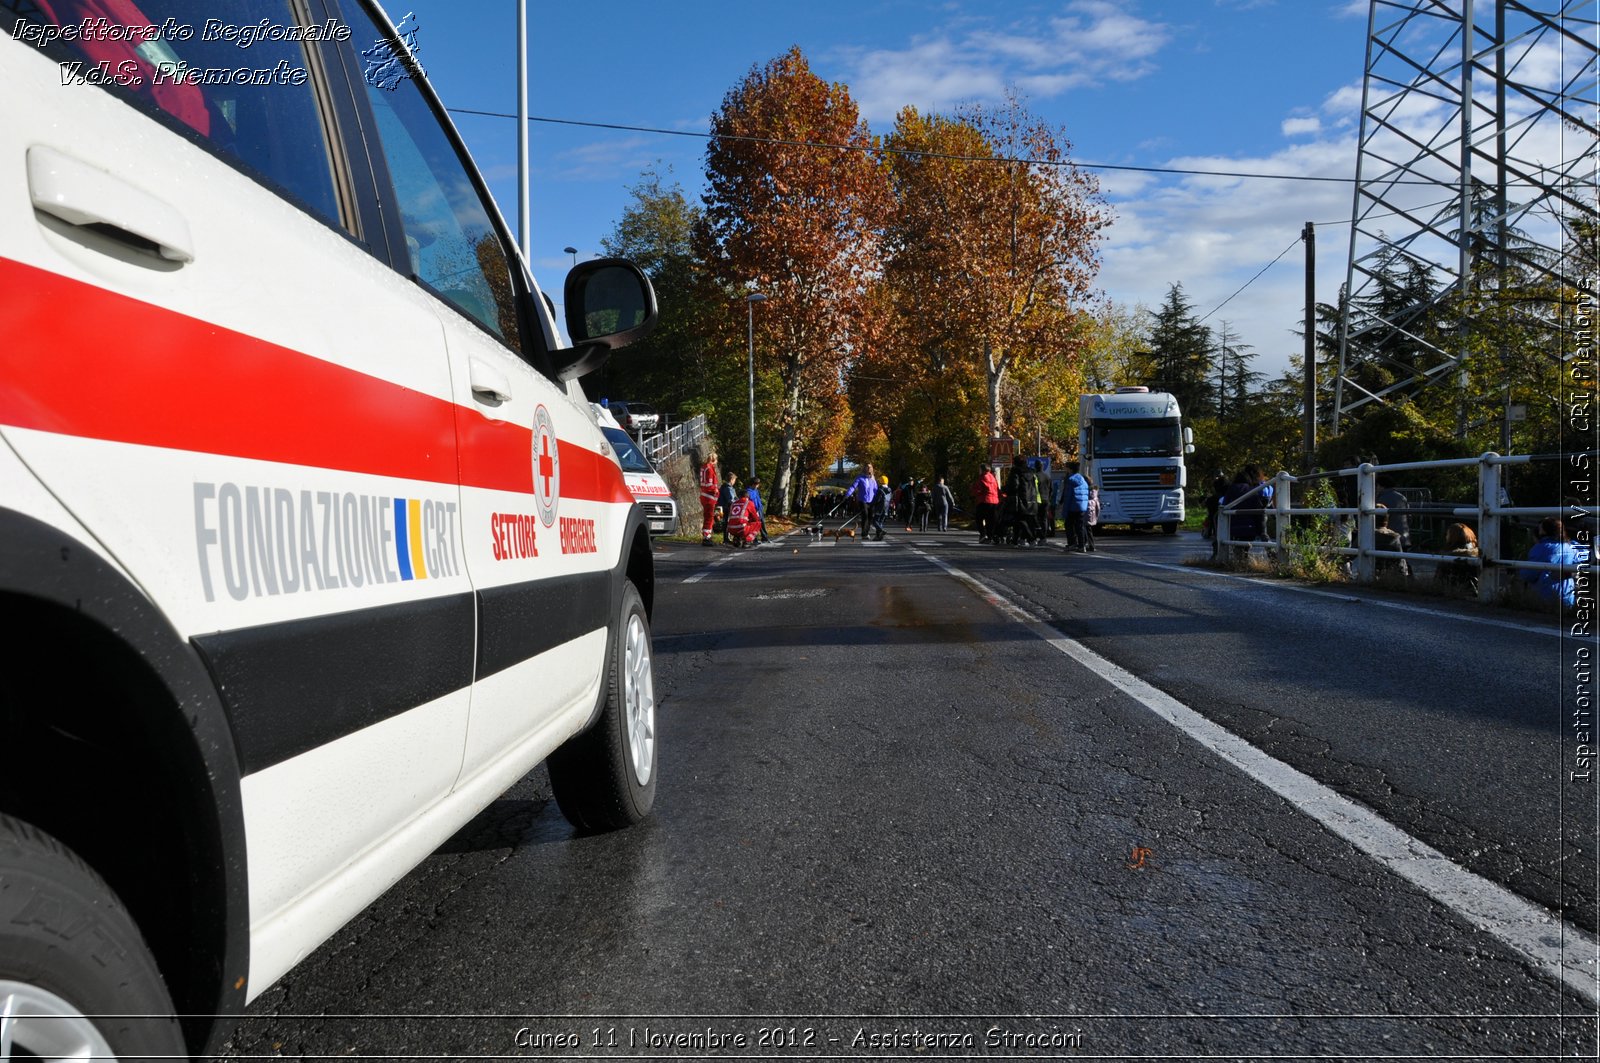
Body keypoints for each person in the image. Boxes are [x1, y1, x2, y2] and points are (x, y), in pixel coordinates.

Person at [1522, 517, 1589, 606]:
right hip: (1567, 598)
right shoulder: (1571, 546)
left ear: (1543, 531)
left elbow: (1529, 575)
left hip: (1543, 598)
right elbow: (1586, 555)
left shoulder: (1540, 548)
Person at [1219, 466, 1266, 561]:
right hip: (1250, 527)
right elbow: (1258, 510)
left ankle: (1237, 559)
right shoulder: (1252, 490)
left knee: (1239, 547)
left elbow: (1224, 505)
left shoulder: (1231, 489)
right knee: (1245, 546)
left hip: (1233, 527)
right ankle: (1244, 560)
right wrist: (1260, 530)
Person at [1003, 456, 1041, 545]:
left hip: (1019, 499)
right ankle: (1015, 540)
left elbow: (1014, 485)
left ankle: (1031, 539)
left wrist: (1005, 489)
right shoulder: (1031, 472)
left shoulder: (1015, 472)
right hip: (1031, 498)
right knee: (1023, 519)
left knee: (1020, 519)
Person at [1434, 522, 1479, 594]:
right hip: (1475, 592)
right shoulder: (1478, 557)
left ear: (1451, 537)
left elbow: (1438, 581)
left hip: (1451, 593)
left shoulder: (1446, 558)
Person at [1372, 505, 1409, 579]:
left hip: (1373, 573)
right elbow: (1401, 561)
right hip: (1392, 575)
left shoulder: (1369, 534)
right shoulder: (1394, 536)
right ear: (1387, 519)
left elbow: (1350, 555)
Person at [1061, 460, 1090, 552]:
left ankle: (1072, 543)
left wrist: (1064, 511)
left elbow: (1068, 496)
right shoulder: (1083, 479)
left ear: (1070, 469)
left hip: (1073, 506)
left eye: (1066, 468)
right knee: (1080, 526)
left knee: (1069, 525)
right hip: (1082, 506)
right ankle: (1082, 545)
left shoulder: (1070, 480)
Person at [1375, 477, 1410, 550]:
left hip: (1389, 538)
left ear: (1381, 486)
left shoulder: (1382, 499)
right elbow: (1409, 517)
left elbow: (1378, 520)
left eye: (1377, 486)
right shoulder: (1402, 497)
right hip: (1404, 537)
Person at [846, 464, 878, 537]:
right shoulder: (860, 478)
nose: (869, 468)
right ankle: (864, 534)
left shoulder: (873, 479)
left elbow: (875, 489)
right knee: (865, 515)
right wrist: (847, 494)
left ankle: (866, 531)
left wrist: (878, 498)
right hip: (862, 500)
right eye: (868, 467)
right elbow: (853, 486)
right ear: (865, 468)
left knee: (870, 517)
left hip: (872, 500)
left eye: (870, 467)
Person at [971, 466, 1000, 543]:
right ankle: (991, 536)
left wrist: (973, 490)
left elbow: (978, 490)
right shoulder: (993, 478)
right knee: (990, 520)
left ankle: (983, 534)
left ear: (982, 470)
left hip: (984, 501)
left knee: (979, 518)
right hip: (994, 501)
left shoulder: (982, 478)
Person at [697, 449, 720, 546]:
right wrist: (715, 490)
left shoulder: (704, 467)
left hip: (704, 495)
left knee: (708, 516)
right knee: (709, 517)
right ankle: (706, 537)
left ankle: (707, 535)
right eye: (716, 460)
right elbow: (710, 485)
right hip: (709, 497)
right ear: (714, 460)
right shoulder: (709, 469)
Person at [717, 470, 739, 544]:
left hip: (720, 507)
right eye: (734, 480)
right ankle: (726, 539)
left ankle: (725, 538)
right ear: (732, 479)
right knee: (727, 523)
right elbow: (731, 499)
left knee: (722, 522)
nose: (734, 482)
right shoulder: (728, 488)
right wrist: (737, 503)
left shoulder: (722, 487)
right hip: (726, 508)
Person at [746, 477, 771, 543]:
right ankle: (754, 539)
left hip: (759, 510)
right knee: (755, 525)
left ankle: (765, 537)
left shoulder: (756, 490)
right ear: (754, 484)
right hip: (753, 510)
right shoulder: (748, 492)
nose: (758, 486)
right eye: (757, 484)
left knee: (762, 523)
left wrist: (760, 507)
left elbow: (758, 500)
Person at [1084, 475, 1100, 552]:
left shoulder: (1085, 492)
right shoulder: (1095, 493)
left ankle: (1083, 544)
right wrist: (1096, 516)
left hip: (1085, 512)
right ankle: (1092, 545)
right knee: (1089, 530)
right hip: (1092, 513)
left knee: (1083, 529)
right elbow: (1098, 507)